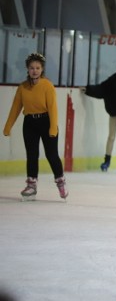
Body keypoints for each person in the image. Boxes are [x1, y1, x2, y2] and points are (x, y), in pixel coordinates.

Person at [3, 52, 68, 201]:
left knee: (51, 155)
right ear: (27, 69)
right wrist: (8, 126)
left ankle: (60, 181)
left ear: (42, 69)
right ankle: (31, 185)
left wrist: (53, 127)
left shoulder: (47, 86)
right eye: (32, 67)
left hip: (46, 122)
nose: (35, 70)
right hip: (30, 123)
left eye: (38, 67)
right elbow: (15, 108)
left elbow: (53, 108)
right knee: (32, 155)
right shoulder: (23, 87)